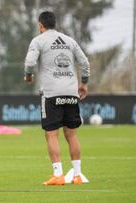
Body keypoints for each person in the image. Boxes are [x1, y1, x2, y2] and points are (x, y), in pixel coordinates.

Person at [24, 11, 90, 185]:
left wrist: (28, 76)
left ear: (40, 25)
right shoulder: (69, 40)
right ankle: (77, 175)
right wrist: (84, 83)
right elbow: (85, 63)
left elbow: (30, 63)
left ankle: (58, 175)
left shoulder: (38, 40)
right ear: (55, 24)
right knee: (72, 135)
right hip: (70, 92)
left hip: (51, 93)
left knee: (51, 135)